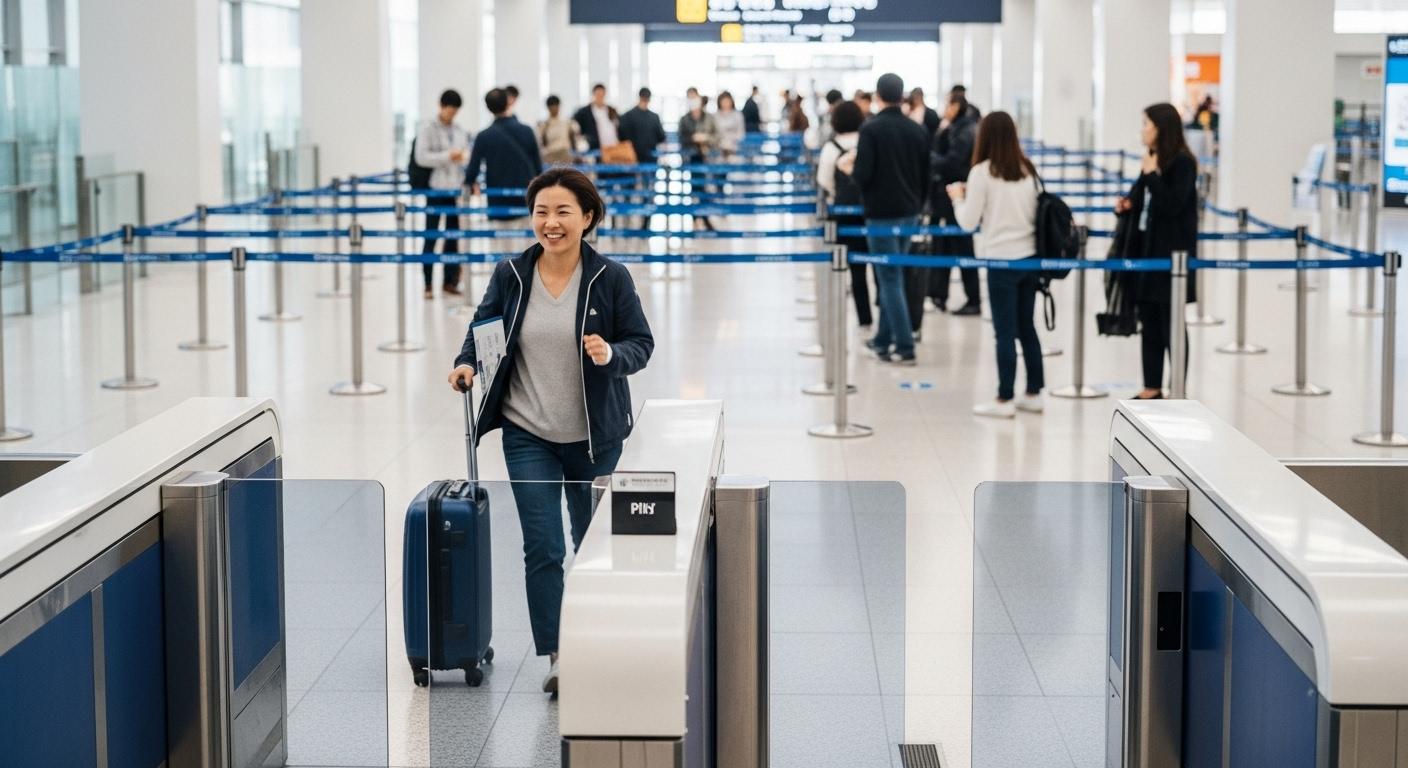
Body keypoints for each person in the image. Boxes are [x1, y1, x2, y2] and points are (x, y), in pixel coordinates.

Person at [447, 167, 654, 695]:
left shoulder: (611, 278)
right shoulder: (512, 274)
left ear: (587, 217)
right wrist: (466, 363)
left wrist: (611, 354)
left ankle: (596, 641)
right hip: (527, 432)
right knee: (542, 547)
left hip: (595, 435)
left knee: (592, 543)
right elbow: (483, 326)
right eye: (542, 211)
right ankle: (560, 653)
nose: (551, 222)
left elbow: (641, 343)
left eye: (563, 212)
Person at [950, 111, 1045, 419]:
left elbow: (967, 222)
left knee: (1004, 331)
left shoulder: (982, 173)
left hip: (1001, 261)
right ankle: (1033, 392)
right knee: (1026, 327)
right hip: (1030, 258)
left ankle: (1004, 397)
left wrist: (956, 197)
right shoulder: (1027, 168)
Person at [845, 72, 930, 365]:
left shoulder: (871, 129)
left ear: (878, 96)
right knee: (895, 276)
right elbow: (925, 176)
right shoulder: (916, 130)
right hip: (909, 213)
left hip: (881, 214)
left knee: (889, 278)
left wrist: (851, 173)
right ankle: (883, 339)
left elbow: (863, 174)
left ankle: (905, 346)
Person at [1115, 103, 1198, 400]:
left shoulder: (1183, 163)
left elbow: (1173, 204)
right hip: (1147, 254)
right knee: (1148, 321)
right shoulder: (1152, 159)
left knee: (1171, 323)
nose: (1142, 130)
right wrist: (1127, 204)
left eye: (1146, 124)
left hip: (1171, 258)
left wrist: (1151, 176)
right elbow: (1142, 198)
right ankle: (1152, 386)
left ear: (1161, 128)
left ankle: (1178, 387)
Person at [817, 100, 873, 327]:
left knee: (846, 267)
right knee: (874, 264)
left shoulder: (831, 147)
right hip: (869, 210)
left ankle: (849, 319)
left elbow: (824, 180)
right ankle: (872, 315)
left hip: (841, 214)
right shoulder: (868, 141)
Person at [927, 90, 982, 316]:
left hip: (955, 195)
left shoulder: (964, 130)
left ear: (957, 105)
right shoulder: (953, 127)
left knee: (962, 247)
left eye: (948, 104)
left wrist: (931, 159)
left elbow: (953, 161)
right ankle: (939, 295)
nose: (944, 108)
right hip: (946, 196)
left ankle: (973, 298)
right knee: (945, 247)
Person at [414, 89, 471, 298]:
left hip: (454, 189)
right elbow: (421, 157)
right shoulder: (427, 128)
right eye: (450, 110)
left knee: (452, 237)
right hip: (435, 189)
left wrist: (462, 157)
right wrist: (448, 156)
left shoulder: (458, 130)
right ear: (441, 106)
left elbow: (465, 154)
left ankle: (450, 280)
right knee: (431, 235)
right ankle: (428, 283)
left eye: (455, 111)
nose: (452, 115)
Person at [466, 88, 543, 223]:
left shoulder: (484, 136)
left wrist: (470, 183)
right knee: (525, 242)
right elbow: (538, 167)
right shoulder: (527, 131)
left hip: (497, 200)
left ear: (488, 108)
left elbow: (473, 169)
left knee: (500, 242)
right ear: (508, 102)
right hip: (524, 198)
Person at [618, 87, 666, 163]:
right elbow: (661, 137)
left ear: (639, 97)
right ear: (650, 99)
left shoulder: (626, 116)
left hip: (632, 156)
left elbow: (621, 137)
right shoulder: (654, 117)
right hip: (650, 156)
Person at [571, 83, 620, 152]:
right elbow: (574, 124)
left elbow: (618, 125)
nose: (600, 97)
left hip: (613, 146)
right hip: (596, 148)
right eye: (598, 94)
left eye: (602, 94)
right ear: (594, 94)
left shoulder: (611, 110)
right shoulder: (585, 112)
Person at [678, 91, 718, 163]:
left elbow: (716, 136)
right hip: (690, 151)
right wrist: (693, 138)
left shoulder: (709, 118)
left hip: (708, 150)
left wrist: (706, 138)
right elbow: (681, 137)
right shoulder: (684, 120)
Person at [538, 95, 577, 166]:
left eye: (556, 106)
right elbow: (541, 143)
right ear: (548, 108)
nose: (554, 109)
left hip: (565, 155)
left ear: (559, 106)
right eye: (552, 107)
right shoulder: (543, 125)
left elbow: (574, 140)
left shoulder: (568, 123)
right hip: (550, 156)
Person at [714, 91, 746, 157]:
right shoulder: (715, 116)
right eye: (723, 102)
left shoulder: (738, 115)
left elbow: (741, 134)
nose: (726, 104)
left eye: (728, 101)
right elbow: (714, 134)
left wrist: (731, 140)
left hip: (735, 148)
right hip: (719, 148)